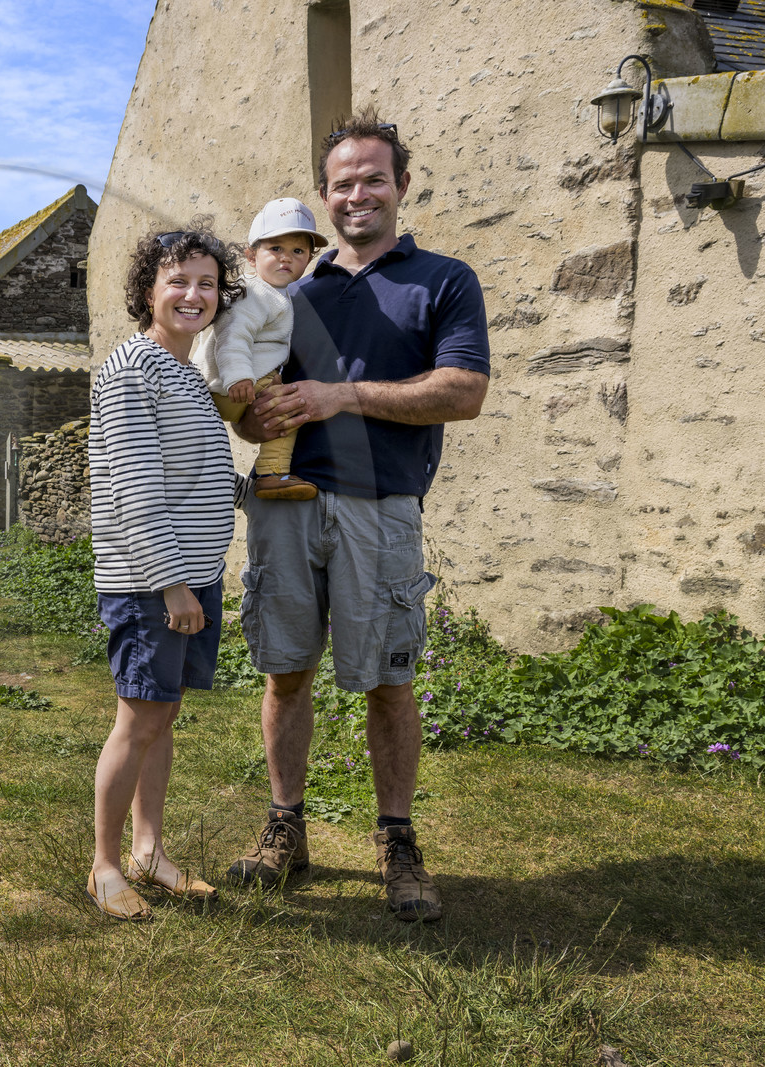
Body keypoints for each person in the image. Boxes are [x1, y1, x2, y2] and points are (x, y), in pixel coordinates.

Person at [227, 110, 491, 922]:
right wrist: (251, 415)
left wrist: (344, 394)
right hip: (288, 504)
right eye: (342, 183)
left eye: (374, 178)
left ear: (402, 185)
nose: (358, 194)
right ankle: (285, 826)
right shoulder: (288, 296)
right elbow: (250, 413)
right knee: (285, 670)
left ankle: (398, 840)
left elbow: (464, 392)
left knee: (388, 681)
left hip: (382, 509)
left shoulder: (443, 280)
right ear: (324, 196)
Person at [85, 225, 241, 921]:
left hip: (192, 575)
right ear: (147, 290)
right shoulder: (131, 370)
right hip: (154, 580)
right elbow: (138, 488)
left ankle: (149, 849)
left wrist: (253, 490)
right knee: (139, 716)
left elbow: (195, 474)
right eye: (178, 280)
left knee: (163, 713)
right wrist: (172, 582)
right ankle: (106, 866)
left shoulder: (183, 372)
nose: (193, 294)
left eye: (206, 283)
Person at [190, 197, 328, 501]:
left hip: (237, 386)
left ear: (309, 258)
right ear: (251, 256)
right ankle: (272, 473)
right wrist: (238, 376)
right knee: (289, 406)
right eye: (275, 249)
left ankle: (259, 475)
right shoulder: (255, 293)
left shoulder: (279, 294)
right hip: (233, 386)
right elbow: (233, 335)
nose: (286, 259)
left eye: (298, 251)